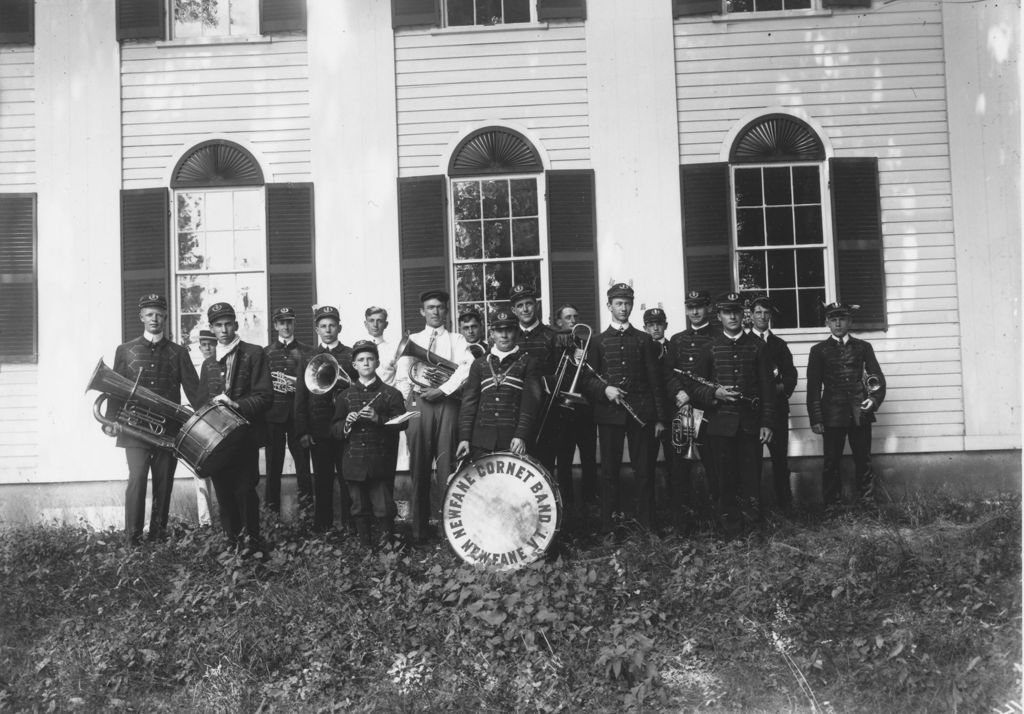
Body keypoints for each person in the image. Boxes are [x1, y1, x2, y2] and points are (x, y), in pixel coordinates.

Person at [679, 292, 775, 535]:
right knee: (725, 480)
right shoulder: (709, 348)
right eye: (726, 312)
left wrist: (767, 422)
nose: (732, 316)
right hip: (719, 427)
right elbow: (694, 386)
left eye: (736, 311)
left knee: (751, 477)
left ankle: (753, 529)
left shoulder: (758, 347)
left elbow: (767, 389)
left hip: (751, 425)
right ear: (719, 315)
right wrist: (715, 395)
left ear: (744, 315)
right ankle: (730, 530)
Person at [108, 294, 201, 545]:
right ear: (141, 317)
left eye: (159, 314)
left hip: (168, 431)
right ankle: (132, 539)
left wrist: (203, 416)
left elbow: (194, 390)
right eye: (149, 314)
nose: (155, 319)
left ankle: (158, 537)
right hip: (133, 429)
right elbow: (114, 389)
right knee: (137, 479)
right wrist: (111, 420)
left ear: (166, 317)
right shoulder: (125, 350)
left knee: (164, 483)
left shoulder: (178, 352)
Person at [582, 283, 668, 533]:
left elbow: (655, 381)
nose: (623, 307)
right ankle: (612, 529)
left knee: (644, 472)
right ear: (609, 306)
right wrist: (605, 390)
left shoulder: (644, 340)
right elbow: (588, 381)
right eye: (618, 303)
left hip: (641, 415)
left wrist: (660, 418)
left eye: (627, 303)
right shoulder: (597, 341)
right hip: (609, 417)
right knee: (609, 473)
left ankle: (648, 527)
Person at [394, 289, 473, 543]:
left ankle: (448, 532)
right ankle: (419, 532)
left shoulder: (458, 339)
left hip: (447, 402)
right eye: (430, 307)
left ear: (446, 310)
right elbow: (403, 377)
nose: (435, 311)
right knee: (418, 467)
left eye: (440, 307)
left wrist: (443, 389)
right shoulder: (414, 338)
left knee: (447, 467)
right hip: (418, 405)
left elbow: (467, 368)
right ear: (422, 311)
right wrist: (406, 410)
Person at [196, 302, 274, 555]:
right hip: (217, 444)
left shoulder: (254, 353)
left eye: (228, 323)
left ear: (236, 325)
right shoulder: (208, 364)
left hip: (245, 439)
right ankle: (233, 547)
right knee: (224, 497)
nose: (224, 329)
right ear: (211, 328)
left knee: (245, 493)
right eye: (218, 325)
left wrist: (235, 404)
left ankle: (252, 545)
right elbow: (201, 404)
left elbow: (265, 397)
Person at [806, 302, 886, 505]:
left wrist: (873, 400)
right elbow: (813, 387)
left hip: (860, 412)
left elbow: (877, 379)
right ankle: (832, 506)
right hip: (831, 415)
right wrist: (816, 418)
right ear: (827, 323)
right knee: (831, 462)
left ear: (850, 321)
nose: (838, 323)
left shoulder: (863, 347)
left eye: (842, 319)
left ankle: (867, 503)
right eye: (833, 320)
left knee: (864, 460)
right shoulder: (818, 351)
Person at [331, 340, 408, 547]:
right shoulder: (344, 396)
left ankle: (388, 549)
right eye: (361, 360)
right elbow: (334, 428)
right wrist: (346, 424)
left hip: (380, 462)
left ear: (377, 362)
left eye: (370, 359)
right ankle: (366, 549)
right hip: (353, 461)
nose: (366, 363)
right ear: (354, 365)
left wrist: (377, 419)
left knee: (384, 507)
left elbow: (403, 424)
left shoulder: (391, 393)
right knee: (358, 507)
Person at [294, 305, 356, 534]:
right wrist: (303, 431)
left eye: (332, 325)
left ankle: (351, 526)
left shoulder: (350, 355)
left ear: (339, 327)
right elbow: (300, 396)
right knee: (322, 480)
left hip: (345, 428)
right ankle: (323, 528)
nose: (328, 329)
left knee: (348, 479)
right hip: (318, 429)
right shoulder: (308, 357)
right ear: (316, 329)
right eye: (323, 326)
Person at [663, 289, 719, 526]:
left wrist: (696, 395)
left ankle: (718, 521)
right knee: (680, 469)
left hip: (710, 412)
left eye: (699, 306)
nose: (694, 312)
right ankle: (682, 523)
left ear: (708, 308)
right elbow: (668, 372)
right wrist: (678, 392)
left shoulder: (719, 337)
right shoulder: (677, 339)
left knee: (715, 466)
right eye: (690, 307)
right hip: (684, 412)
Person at [456, 308, 543, 460]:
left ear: (516, 332)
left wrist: (521, 435)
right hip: (480, 442)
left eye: (509, 330)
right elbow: (468, 404)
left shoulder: (529, 363)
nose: (504, 335)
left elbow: (530, 404)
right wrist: (464, 438)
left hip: (514, 441)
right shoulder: (479, 364)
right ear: (492, 334)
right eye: (499, 330)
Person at [747, 296, 798, 512]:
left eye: (766, 313)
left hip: (776, 410)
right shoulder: (745, 342)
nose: (762, 316)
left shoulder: (779, 345)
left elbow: (790, 377)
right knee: (752, 462)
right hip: (751, 412)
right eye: (758, 312)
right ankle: (754, 509)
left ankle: (785, 507)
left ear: (770, 316)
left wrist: (773, 389)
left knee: (779, 460)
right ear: (750, 315)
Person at [263, 306, 312, 517]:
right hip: (273, 416)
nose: (286, 326)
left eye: (289, 322)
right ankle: (271, 515)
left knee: (303, 467)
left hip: (298, 416)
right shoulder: (265, 353)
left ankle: (307, 513)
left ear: (294, 324)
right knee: (273, 467)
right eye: (281, 322)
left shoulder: (307, 351)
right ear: (275, 325)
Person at [552, 303, 598, 511]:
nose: (573, 321)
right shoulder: (555, 344)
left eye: (575, 316)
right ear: (558, 322)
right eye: (568, 317)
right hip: (561, 413)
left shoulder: (586, 343)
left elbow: (594, 374)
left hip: (584, 411)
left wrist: (585, 360)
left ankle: (590, 504)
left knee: (589, 460)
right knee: (563, 463)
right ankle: (566, 506)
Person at [509, 284, 560, 472]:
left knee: (545, 464)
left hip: (545, 411)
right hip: (515, 412)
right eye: (520, 305)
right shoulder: (509, 337)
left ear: (536, 305)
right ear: (513, 310)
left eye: (528, 304)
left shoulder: (552, 336)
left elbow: (562, 375)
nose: (525, 309)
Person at [643, 306, 673, 519]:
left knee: (675, 464)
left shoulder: (675, 347)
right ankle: (652, 514)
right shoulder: (641, 348)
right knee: (647, 465)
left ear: (665, 326)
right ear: (645, 328)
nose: (655, 328)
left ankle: (676, 510)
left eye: (659, 324)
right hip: (651, 416)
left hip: (673, 414)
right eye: (651, 325)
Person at [193, 329, 219, 526]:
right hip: (209, 421)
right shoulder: (205, 365)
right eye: (204, 345)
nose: (207, 348)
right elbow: (201, 395)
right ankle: (206, 522)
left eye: (211, 343)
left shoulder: (223, 361)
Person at [363, 306, 397, 384]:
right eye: (371, 320)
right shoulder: (357, 349)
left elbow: (400, 379)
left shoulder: (394, 350)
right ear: (365, 324)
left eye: (379, 321)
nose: (375, 325)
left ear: (386, 324)